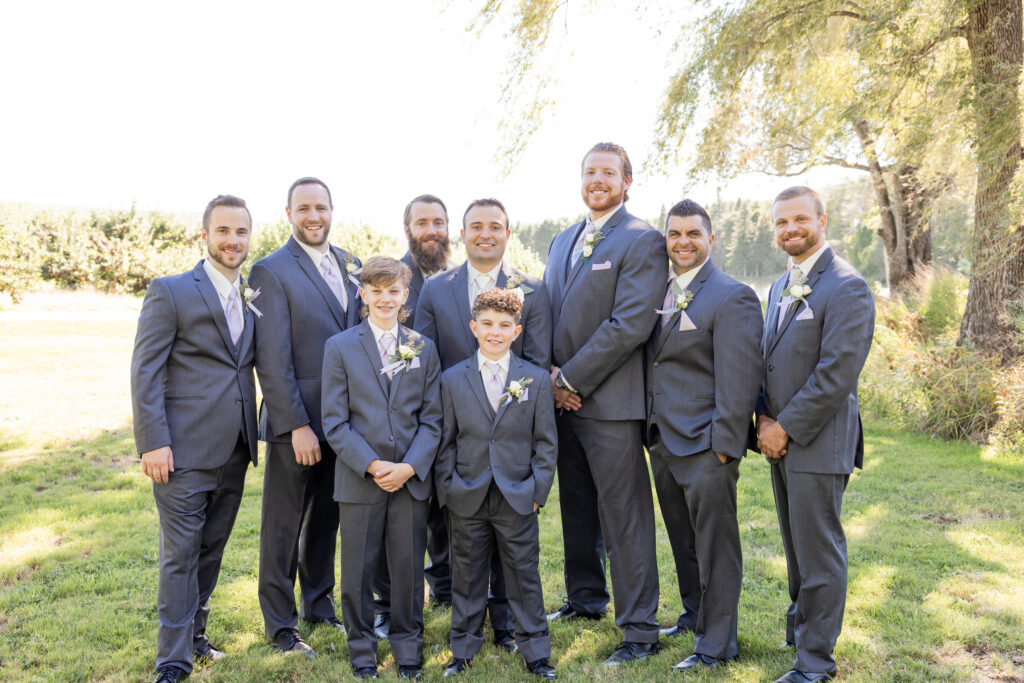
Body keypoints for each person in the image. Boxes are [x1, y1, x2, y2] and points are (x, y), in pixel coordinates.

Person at [542, 142, 666, 665]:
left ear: (626, 181)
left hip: (611, 403)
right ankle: (586, 598)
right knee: (576, 507)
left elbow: (630, 323)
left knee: (624, 515)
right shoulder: (562, 239)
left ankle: (639, 628)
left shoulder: (642, 240)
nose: (597, 179)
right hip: (559, 402)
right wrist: (549, 379)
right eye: (590, 171)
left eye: (608, 172)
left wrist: (571, 377)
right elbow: (549, 312)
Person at [130, 194, 259, 683]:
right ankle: (173, 661)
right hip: (180, 450)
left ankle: (196, 638)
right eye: (223, 231)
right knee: (181, 555)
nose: (233, 240)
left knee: (211, 549)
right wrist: (152, 442)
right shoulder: (171, 290)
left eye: (241, 232)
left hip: (236, 448)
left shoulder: (251, 294)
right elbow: (145, 371)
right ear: (204, 236)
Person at [415, 198, 553, 648]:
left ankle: (509, 627)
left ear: (508, 234)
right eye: (476, 226)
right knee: (466, 546)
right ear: (463, 233)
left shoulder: (532, 288)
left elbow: (535, 358)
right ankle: (465, 624)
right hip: (459, 428)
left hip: (513, 431)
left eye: (495, 226)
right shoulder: (436, 289)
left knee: (514, 552)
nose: (485, 233)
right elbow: (425, 362)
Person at [755, 186, 875, 683]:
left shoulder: (846, 285)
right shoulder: (782, 285)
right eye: (782, 222)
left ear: (822, 220)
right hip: (779, 440)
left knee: (819, 552)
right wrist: (762, 420)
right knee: (796, 548)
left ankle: (814, 664)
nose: (791, 230)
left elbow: (835, 374)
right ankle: (801, 632)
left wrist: (785, 427)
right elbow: (767, 362)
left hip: (817, 441)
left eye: (800, 219)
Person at [643, 199, 762, 672]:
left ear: (711, 239)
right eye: (674, 234)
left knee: (716, 546)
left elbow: (741, 378)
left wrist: (725, 446)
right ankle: (694, 613)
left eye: (693, 233)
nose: (683, 242)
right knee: (682, 538)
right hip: (663, 439)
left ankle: (717, 644)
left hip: (707, 444)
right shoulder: (661, 290)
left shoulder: (731, 295)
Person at [249, 177, 361, 657]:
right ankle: (280, 625)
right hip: (295, 423)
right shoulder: (270, 270)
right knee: (284, 525)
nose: (313, 216)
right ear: (289, 213)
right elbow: (270, 359)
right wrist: (295, 424)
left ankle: (319, 606)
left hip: (343, 422)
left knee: (326, 520)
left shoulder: (349, 263)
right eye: (304, 209)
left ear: (332, 210)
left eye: (321, 207)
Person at [321, 255, 443, 680]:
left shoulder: (422, 347)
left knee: (408, 568)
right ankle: (362, 651)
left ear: (405, 295)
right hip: (359, 480)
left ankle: (409, 648)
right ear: (363, 295)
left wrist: (408, 468)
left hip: (410, 482)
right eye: (376, 291)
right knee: (357, 571)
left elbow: (433, 419)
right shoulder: (339, 347)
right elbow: (334, 423)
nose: (385, 298)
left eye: (393, 291)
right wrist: (373, 465)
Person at [434, 288, 557, 679]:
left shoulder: (534, 380)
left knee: (524, 574)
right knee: (466, 575)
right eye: (487, 324)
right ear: (474, 327)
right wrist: (449, 488)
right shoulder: (452, 379)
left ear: (517, 330)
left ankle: (536, 651)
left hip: (517, 494)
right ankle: (463, 649)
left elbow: (545, 443)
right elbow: (445, 441)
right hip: (467, 494)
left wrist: (537, 492)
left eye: (504, 325)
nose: (495, 332)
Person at [374, 194, 454, 639]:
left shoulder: (458, 276)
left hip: (452, 410)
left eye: (438, 221)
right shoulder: (391, 276)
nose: (431, 229)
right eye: (422, 221)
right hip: (400, 414)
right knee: (400, 511)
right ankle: (388, 603)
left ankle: (444, 586)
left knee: (445, 502)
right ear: (408, 228)